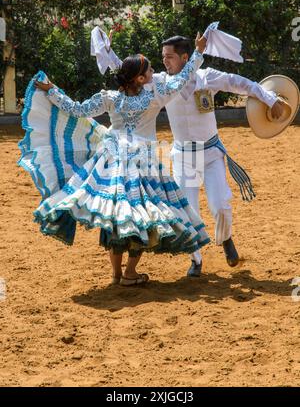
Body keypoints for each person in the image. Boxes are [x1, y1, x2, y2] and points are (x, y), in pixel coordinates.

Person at [18, 33, 210, 286]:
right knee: (142, 215)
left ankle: (117, 274)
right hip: (143, 162)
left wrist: (52, 91)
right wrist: (198, 52)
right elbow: (184, 76)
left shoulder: (110, 98)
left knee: (116, 215)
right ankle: (130, 272)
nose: (154, 71)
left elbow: (75, 109)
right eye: (149, 69)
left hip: (110, 160)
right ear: (140, 79)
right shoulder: (155, 96)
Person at [160, 36, 285, 277]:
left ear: (185, 58)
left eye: (169, 57)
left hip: (210, 153)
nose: (164, 62)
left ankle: (226, 239)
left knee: (221, 206)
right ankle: (196, 260)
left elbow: (241, 84)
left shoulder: (207, 77)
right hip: (183, 157)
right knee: (188, 212)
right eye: (163, 57)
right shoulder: (161, 83)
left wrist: (270, 99)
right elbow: (133, 79)